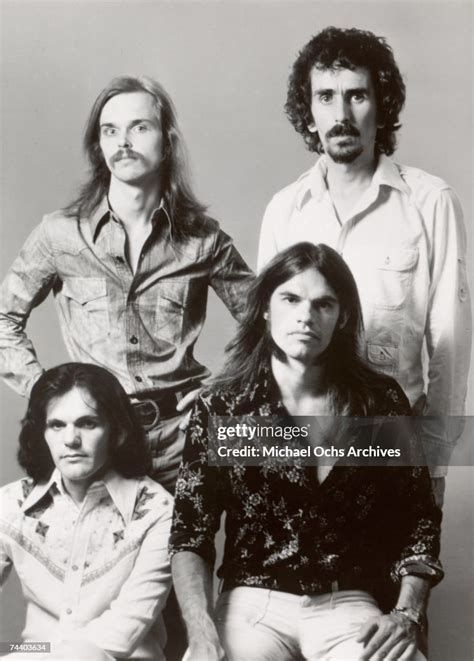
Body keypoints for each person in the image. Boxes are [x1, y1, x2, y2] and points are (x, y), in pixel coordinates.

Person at [170, 243, 443, 661]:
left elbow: (418, 517)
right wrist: (202, 632)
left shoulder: (378, 402)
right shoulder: (224, 407)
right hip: (252, 605)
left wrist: (407, 611)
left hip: (349, 604)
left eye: (324, 305)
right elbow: (191, 535)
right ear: (264, 307)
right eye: (291, 299)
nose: (306, 316)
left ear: (343, 317)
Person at [0, 74, 253, 495]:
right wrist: (49, 396)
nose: (124, 142)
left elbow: (270, 320)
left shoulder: (203, 239)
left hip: (184, 441)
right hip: (98, 444)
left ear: (167, 141)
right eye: (110, 130)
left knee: (185, 557)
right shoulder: (60, 235)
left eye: (140, 127)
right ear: (98, 146)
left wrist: (226, 390)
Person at [258, 26, 471, 504]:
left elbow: (450, 345)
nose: (340, 114)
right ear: (308, 113)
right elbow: (265, 340)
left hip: (392, 451)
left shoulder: (430, 203)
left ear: (382, 106)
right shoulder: (285, 210)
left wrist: (433, 463)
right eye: (325, 97)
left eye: (357, 96)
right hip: (299, 455)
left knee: (393, 581)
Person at [0, 363, 173, 660]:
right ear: (42, 433)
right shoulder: (10, 503)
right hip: (34, 653)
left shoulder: (158, 510)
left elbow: (118, 635)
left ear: (117, 432)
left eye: (88, 423)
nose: (71, 440)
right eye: (57, 425)